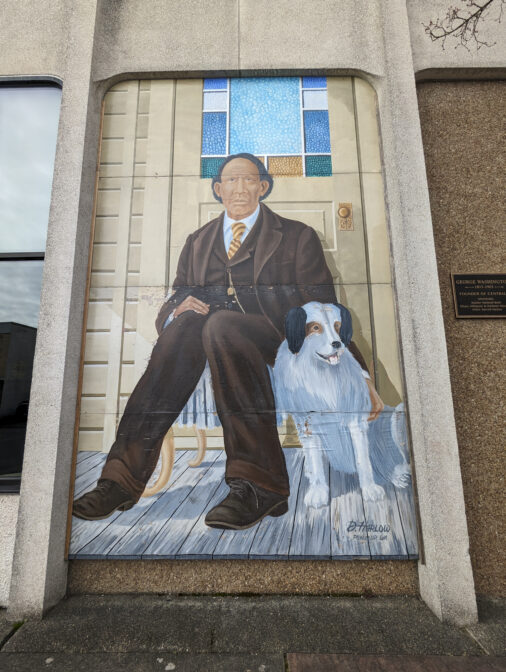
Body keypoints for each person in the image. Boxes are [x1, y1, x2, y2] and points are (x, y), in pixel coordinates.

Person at [73, 153, 383, 529]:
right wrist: (176, 307)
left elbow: (325, 308)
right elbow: (176, 296)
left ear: (263, 188)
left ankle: (259, 486)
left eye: (249, 180)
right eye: (231, 181)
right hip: (209, 336)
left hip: (279, 340)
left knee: (221, 325)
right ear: (218, 190)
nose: (240, 188)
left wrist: (361, 377)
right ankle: (119, 480)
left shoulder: (298, 236)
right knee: (183, 328)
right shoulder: (198, 241)